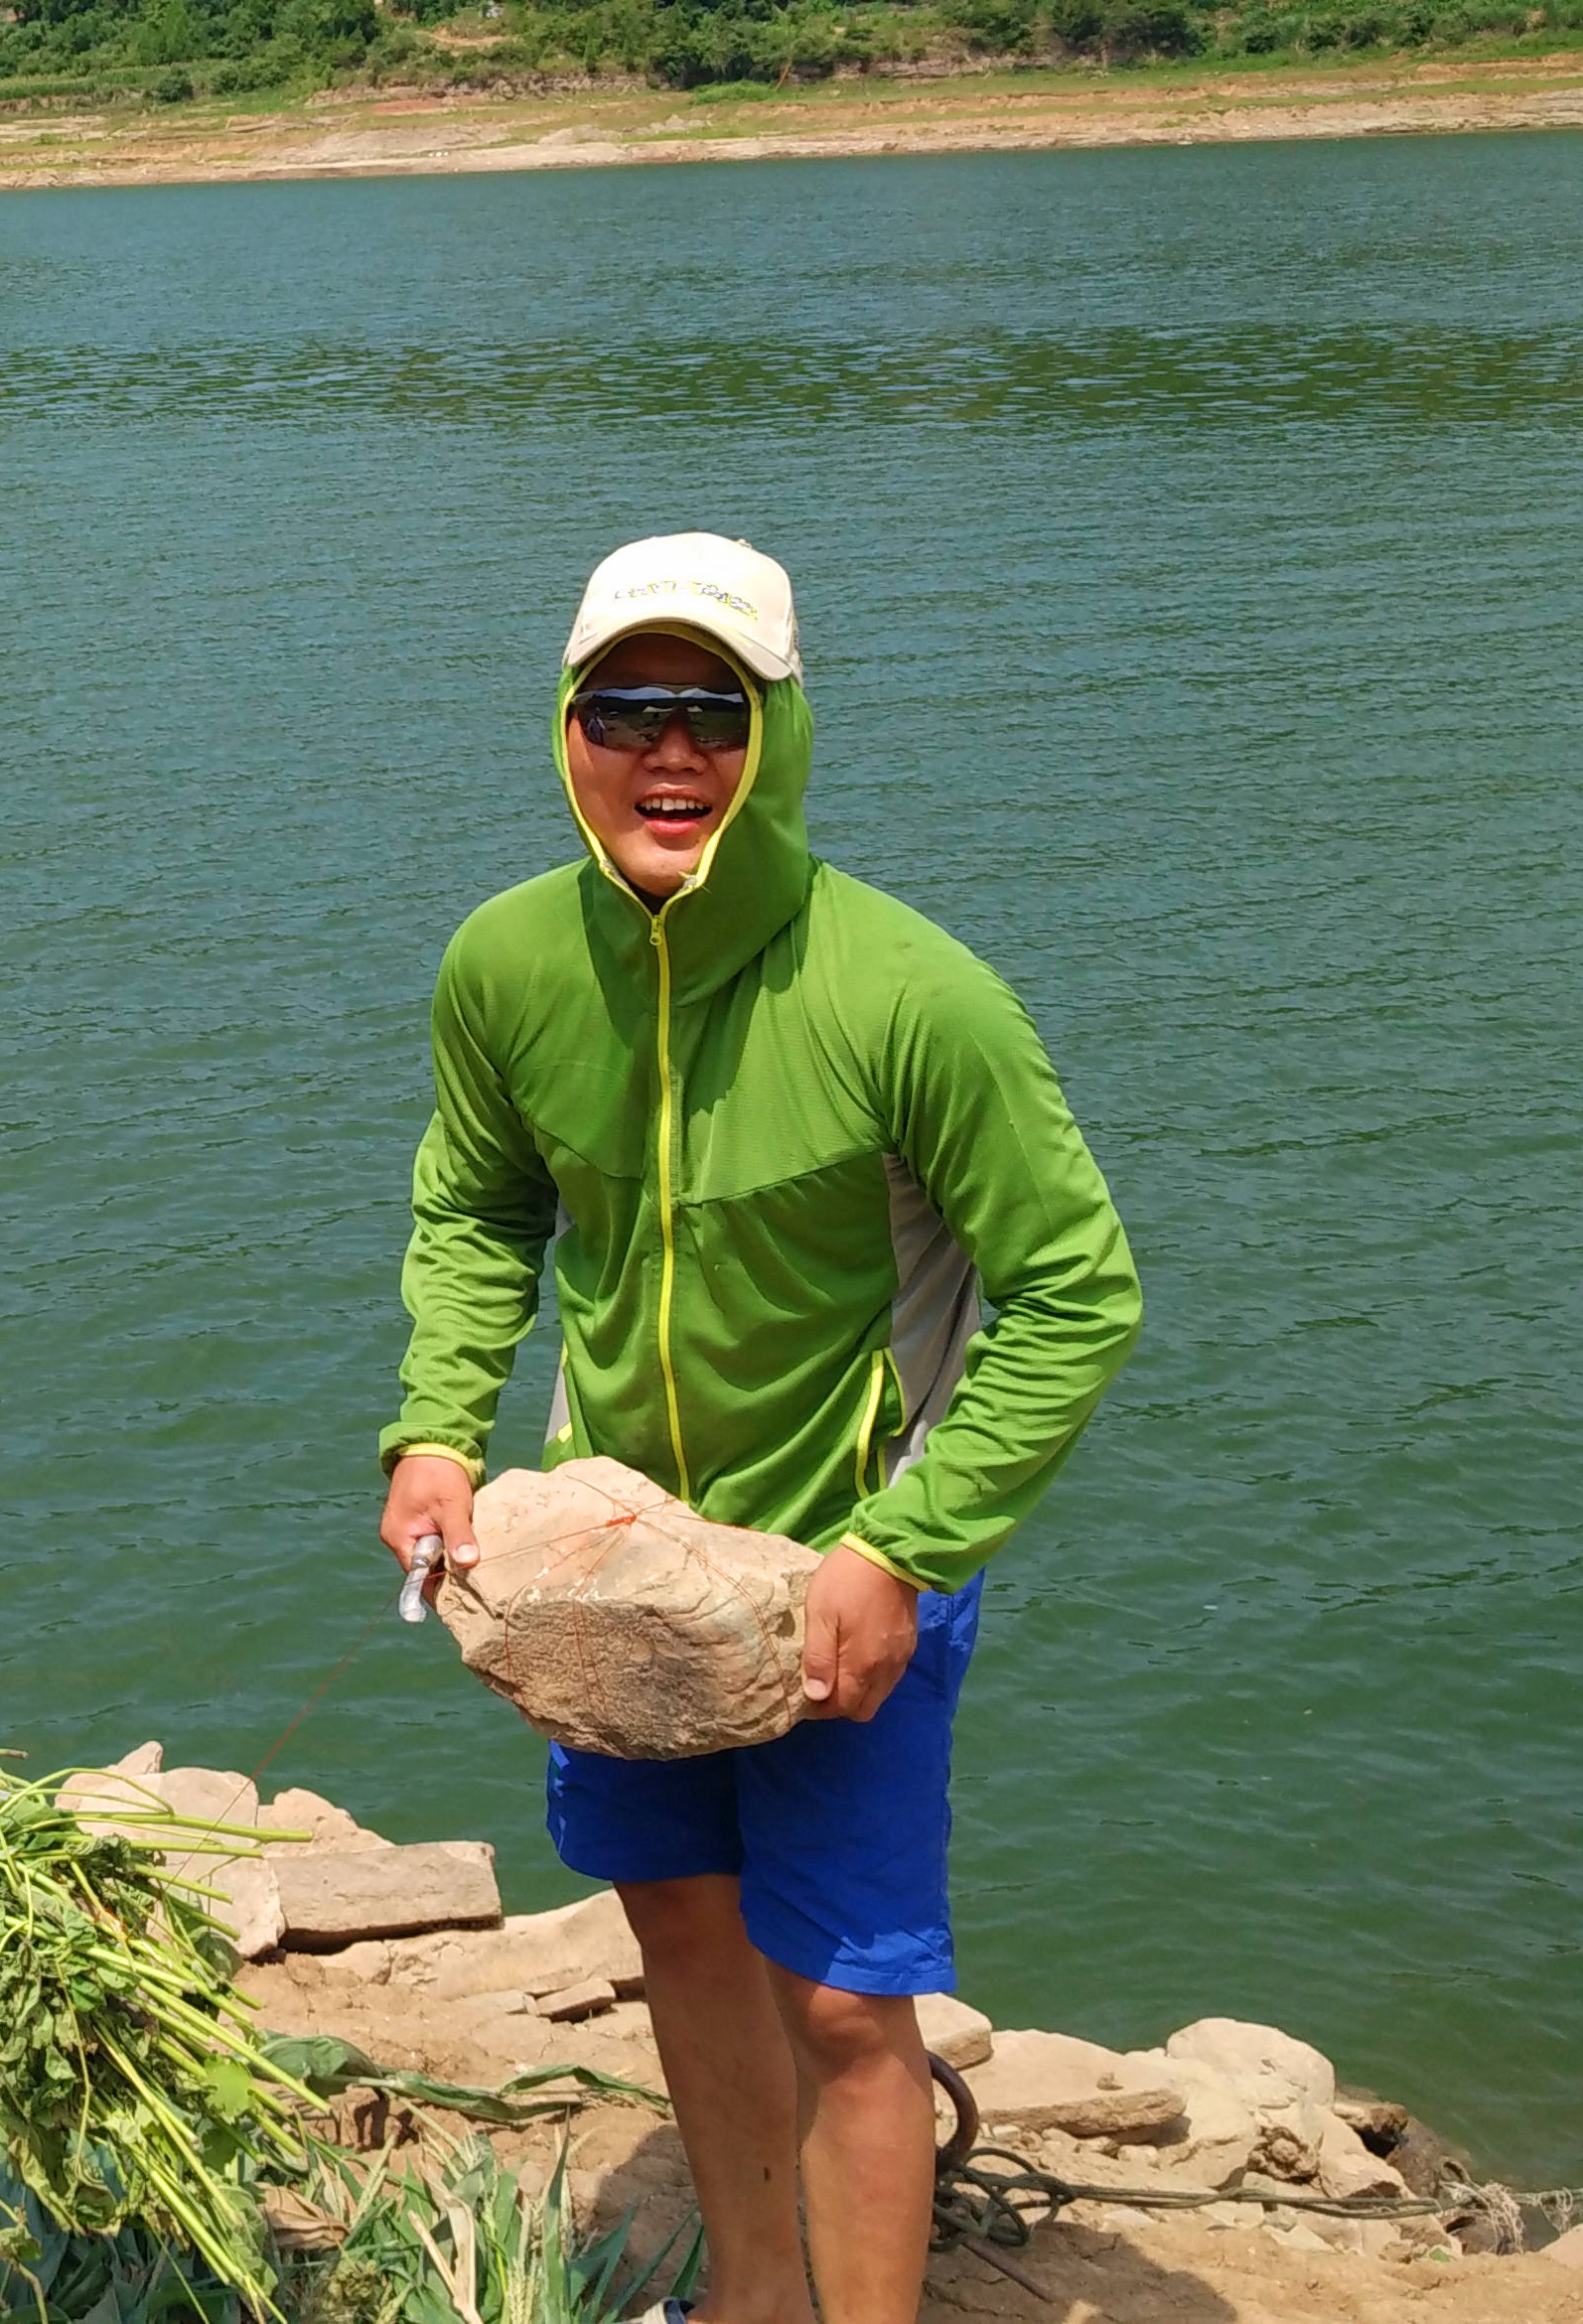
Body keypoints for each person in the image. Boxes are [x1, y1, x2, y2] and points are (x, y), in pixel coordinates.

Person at [377, 534, 1141, 2324]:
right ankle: (753, 2294)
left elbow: (1081, 1292)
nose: (667, 751)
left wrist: (907, 1548)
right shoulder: (504, 964)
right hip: (609, 1562)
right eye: (623, 706)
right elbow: (477, 1209)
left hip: (850, 1565)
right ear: (564, 727)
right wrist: (435, 1430)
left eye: (711, 711)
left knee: (842, 2004)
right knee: (682, 1937)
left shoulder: (909, 993)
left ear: (779, 732)